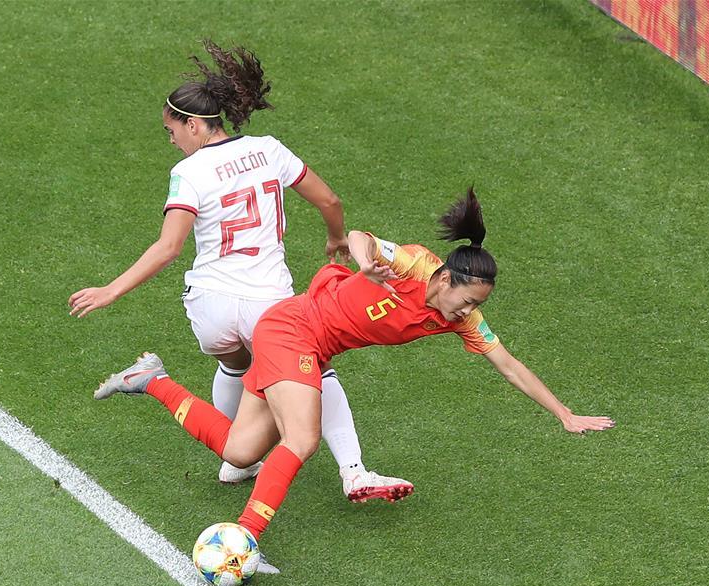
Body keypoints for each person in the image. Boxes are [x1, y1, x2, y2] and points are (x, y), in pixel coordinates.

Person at [93, 187, 615, 554]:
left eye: (475, 306)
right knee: (302, 439)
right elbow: (363, 236)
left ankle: (151, 379)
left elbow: (510, 364)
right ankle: (245, 535)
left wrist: (565, 414)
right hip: (291, 331)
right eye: (466, 299)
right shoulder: (413, 263)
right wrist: (365, 261)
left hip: (306, 348)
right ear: (448, 277)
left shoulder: (462, 321)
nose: (466, 312)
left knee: (239, 451)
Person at [69, 40, 412, 502]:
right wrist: (335, 238)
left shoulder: (189, 173)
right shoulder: (268, 150)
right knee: (319, 372)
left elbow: (170, 247)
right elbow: (330, 200)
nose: (170, 140)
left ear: (193, 124)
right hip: (269, 303)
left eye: (171, 131)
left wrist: (112, 290)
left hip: (209, 307)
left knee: (233, 362)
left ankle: (234, 463)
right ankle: (354, 471)